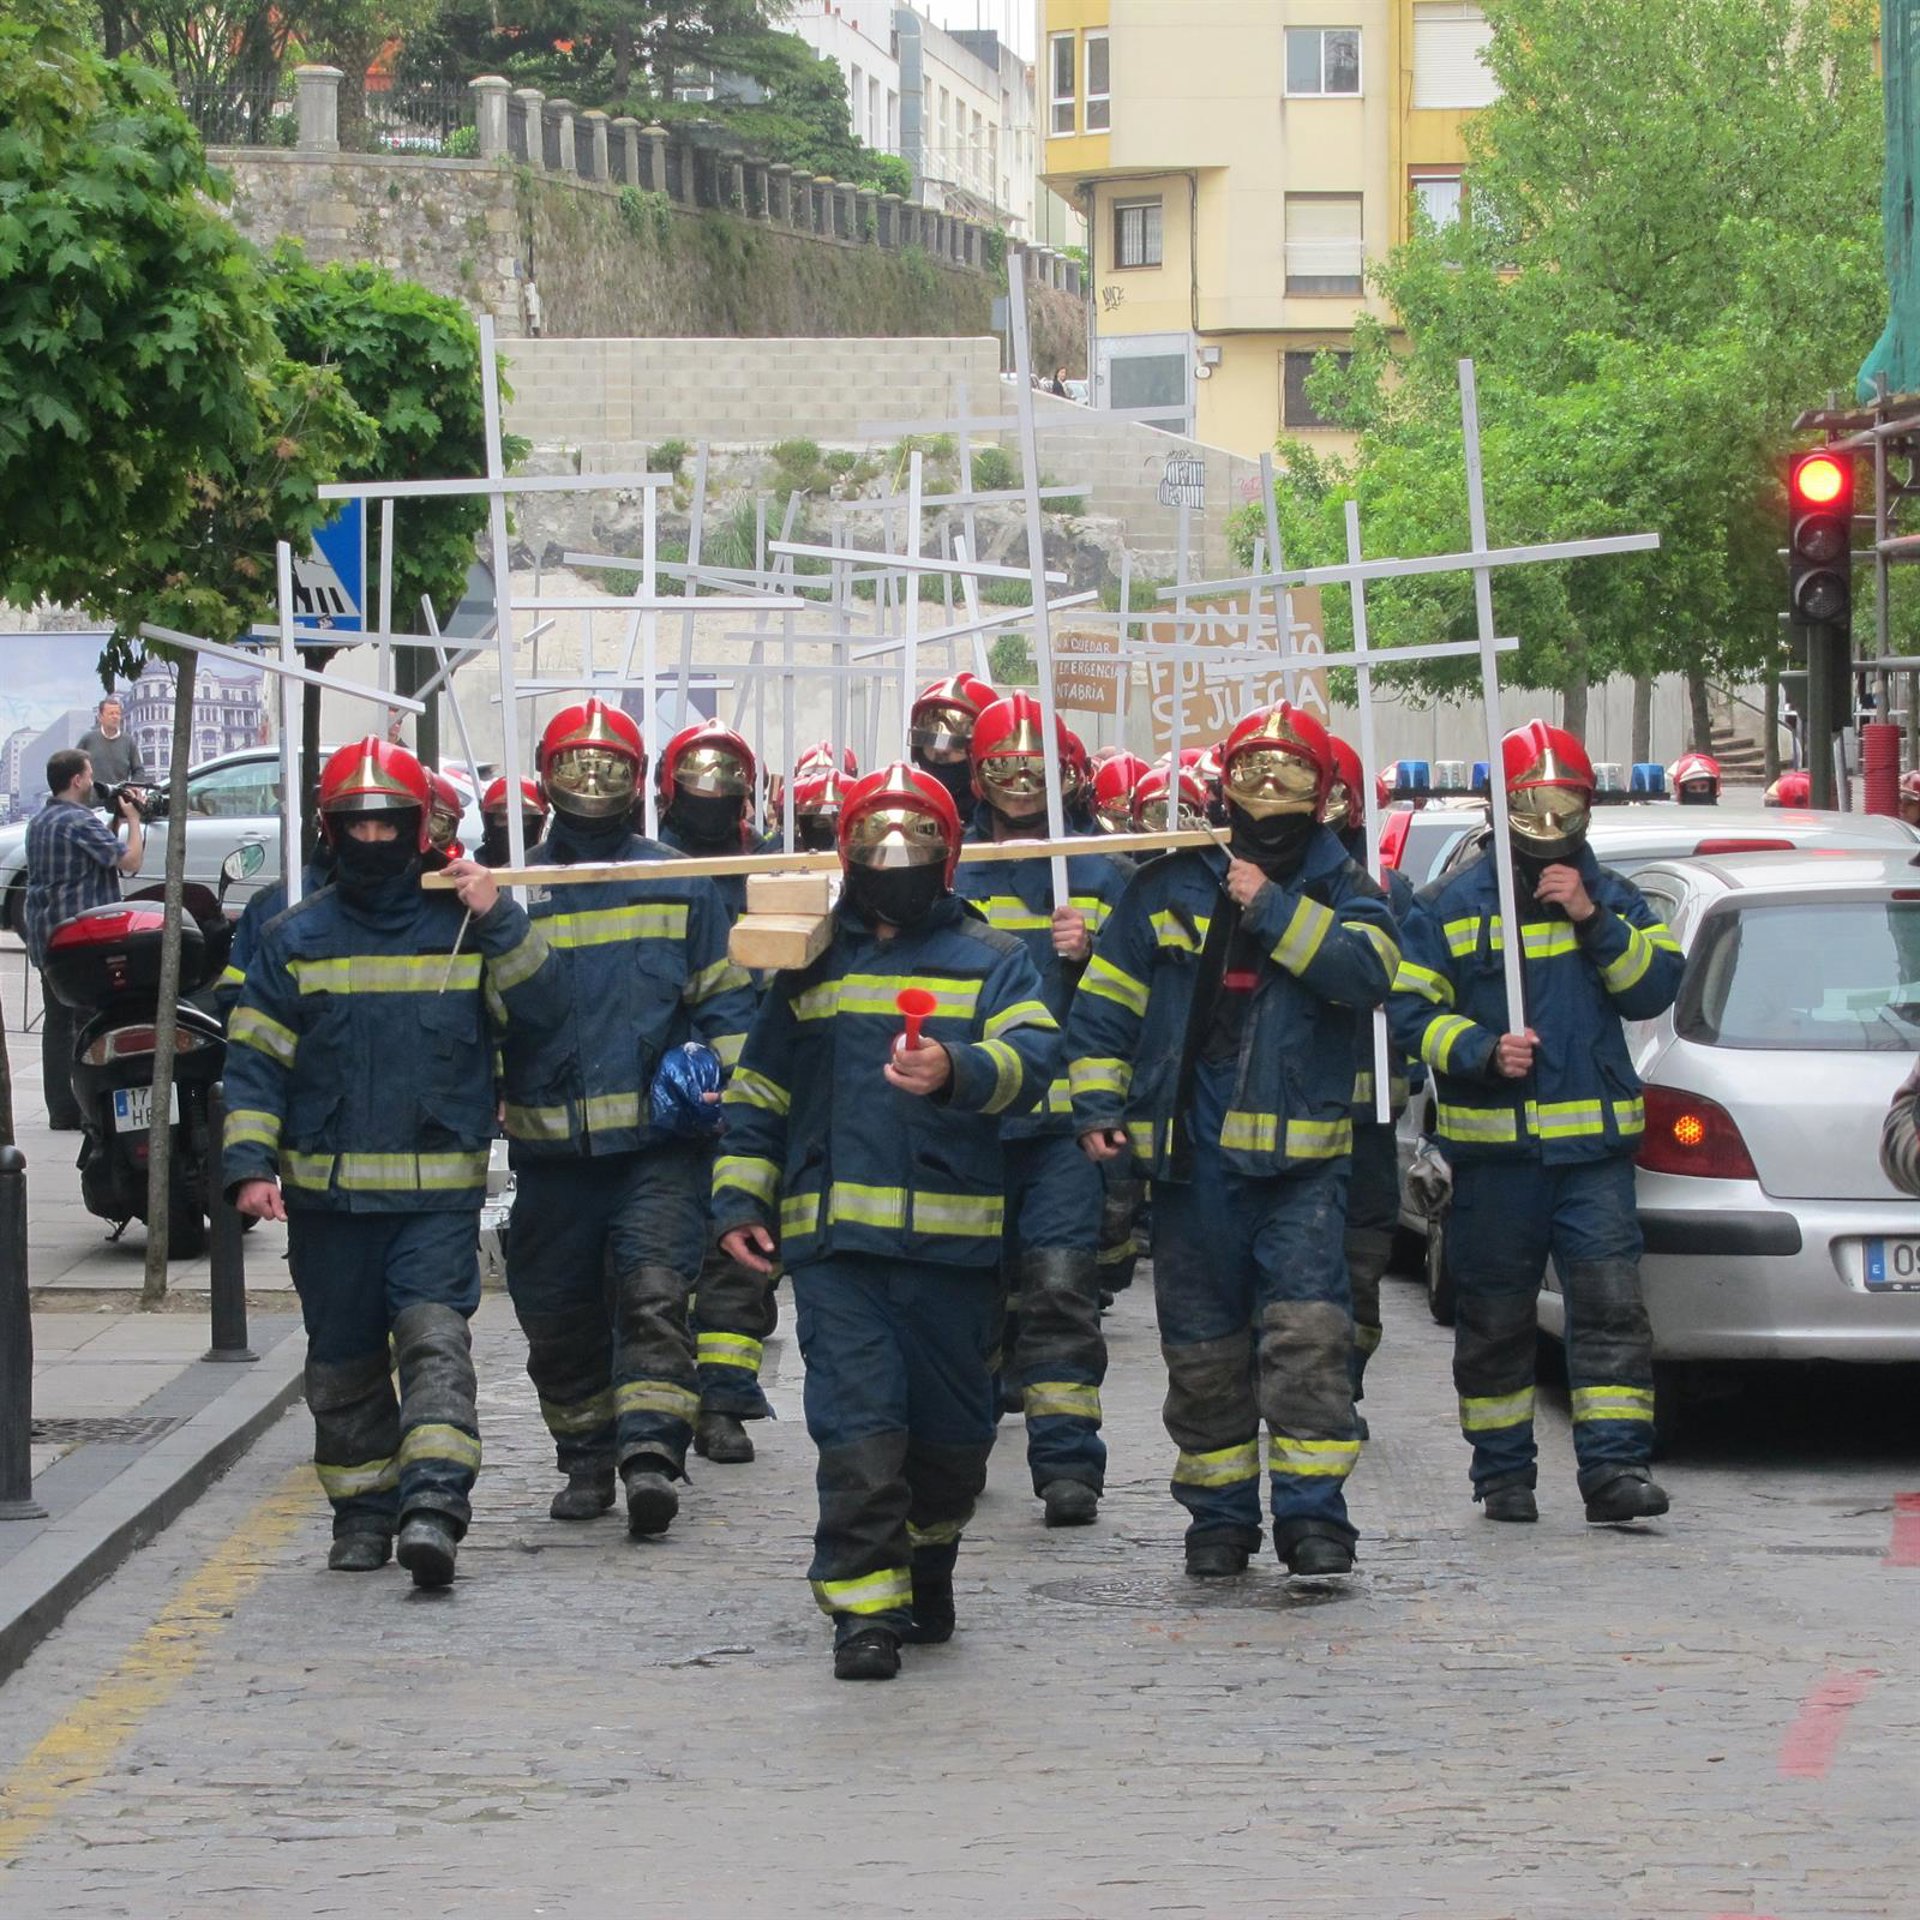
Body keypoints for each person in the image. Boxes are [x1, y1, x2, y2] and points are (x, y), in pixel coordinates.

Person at [715, 764, 1058, 1681]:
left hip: (952, 1250)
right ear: (847, 858)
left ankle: (929, 1559)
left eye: (913, 850)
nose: (894, 866)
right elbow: (760, 1093)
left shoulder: (993, 960)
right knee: (859, 1431)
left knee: (952, 1445)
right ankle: (864, 1612)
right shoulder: (812, 964)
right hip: (839, 1250)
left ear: (947, 859)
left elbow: (1036, 1058)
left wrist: (957, 1069)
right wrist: (740, 1201)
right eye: (875, 849)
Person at [1068, 703, 1399, 1581]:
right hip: (1192, 1162)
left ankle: (1313, 1519)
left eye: (1290, 775)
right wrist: (1097, 1106)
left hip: (1301, 1170)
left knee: (1308, 1343)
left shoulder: (1347, 889)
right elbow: (1105, 1009)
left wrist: (1273, 906)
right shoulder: (1167, 887)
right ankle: (1217, 1520)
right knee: (1203, 1350)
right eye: (1254, 771)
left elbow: (1365, 974)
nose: (1268, 791)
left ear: (1320, 794)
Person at [221, 738, 561, 1587]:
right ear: (330, 831)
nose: (372, 838)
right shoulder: (292, 939)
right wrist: (250, 1166)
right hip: (327, 1204)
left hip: (434, 1203)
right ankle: (362, 1515)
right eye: (356, 824)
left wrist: (500, 917)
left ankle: (433, 1506)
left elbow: (544, 1013)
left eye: (387, 823)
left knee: (435, 1344)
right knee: (342, 1367)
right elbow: (255, 1065)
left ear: (419, 831)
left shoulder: (466, 926)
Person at [1389, 720, 1684, 1527]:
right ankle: (1502, 1472)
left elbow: (1653, 988)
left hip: (1592, 1160)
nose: (1550, 823)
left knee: (1610, 1310)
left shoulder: (1614, 897)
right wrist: (1481, 1051)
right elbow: (1409, 1015)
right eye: (1534, 804)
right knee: (1494, 1320)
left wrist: (1592, 918)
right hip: (1496, 1162)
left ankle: (1616, 1470)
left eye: (1566, 805)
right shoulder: (1450, 907)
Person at [498, 700, 756, 1533]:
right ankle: (585, 1457)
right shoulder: (512, 889)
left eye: (608, 765)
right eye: (574, 763)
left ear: (639, 780)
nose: (591, 780)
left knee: (654, 1295)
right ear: (546, 775)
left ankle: (651, 1455)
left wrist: (725, 1091)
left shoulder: (679, 880)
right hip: (551, 1153)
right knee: (558, 1316)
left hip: (658, 1147)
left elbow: (727, 1003)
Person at [954, 694, 1128, 1527]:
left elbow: (1139, 998)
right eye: (1005, 768)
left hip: (1061, 1128)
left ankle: (1067, 1464)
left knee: (1060, 1289)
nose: (1021, 784)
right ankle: (961, 1447)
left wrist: (1093, 956)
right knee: (969, 1297)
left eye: (1037, 770)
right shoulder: (950, 868)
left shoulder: (1102, 873)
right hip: (972, 1122)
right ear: (978, 776)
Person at [656, 719, 782, 1464]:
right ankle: (664, 1396)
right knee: (663, 1256)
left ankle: (725, 1401)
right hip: (659, 1088)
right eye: (697, 781)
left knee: (740, 1242)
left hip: (753, 1078)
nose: (711, 795)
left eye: (724, 783)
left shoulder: (776, 871)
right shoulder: (640, 867)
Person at [1323, 737, 1415, 1428]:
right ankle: (1297, 1385)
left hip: (1369, 1124)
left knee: (1360, 1263)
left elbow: (1414, 998)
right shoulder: (1249, 888)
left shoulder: (1392, 894)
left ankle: (1344, 1384)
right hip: (1279, 1115)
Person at [24, 749, 144, 1130]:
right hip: (82, 940)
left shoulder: (39, 822)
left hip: (46, 934)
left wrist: (113, 822)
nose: (93, 781)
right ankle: (88, 1106)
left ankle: (61, 1109)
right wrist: (134, 820)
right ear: (77, 780)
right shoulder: (78, 821)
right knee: (87, 1021)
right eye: (90, 774)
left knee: (56, 1022)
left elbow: (93, 856)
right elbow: (130, 861)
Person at [909, 673, 997, 820]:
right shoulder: (906, 812)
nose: (940, 750)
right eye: (932, 740)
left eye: (956, 744)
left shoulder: (1002, 825)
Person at [77, 696, 148, 807]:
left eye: (118, 714)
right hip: (91, 804)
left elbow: (138, 770)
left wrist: (132, 789)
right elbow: (74, 766)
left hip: (118, 804)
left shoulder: (128, 741)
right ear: (100, 717)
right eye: (111, 713)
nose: (115, 717)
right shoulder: (88, 739)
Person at [476, 776, 549, 869]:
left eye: (523, 819)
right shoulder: (473, 873)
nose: (512, 828)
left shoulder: (554, 871)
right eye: (503, 818)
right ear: (488, 820)